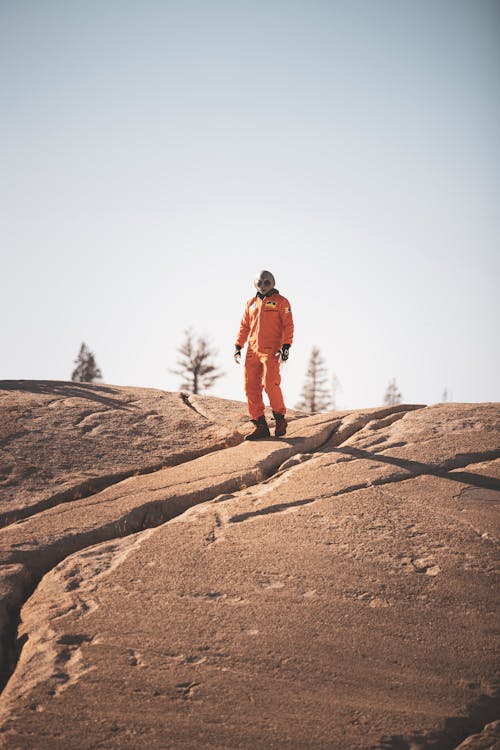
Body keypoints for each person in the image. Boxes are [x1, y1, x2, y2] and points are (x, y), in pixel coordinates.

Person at [234, 270, 294, 440]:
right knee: (250, 386)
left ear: (273, 283)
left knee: (270, 384)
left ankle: (280, 419)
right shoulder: (251, 303)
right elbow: (244, 326)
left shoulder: (281, 302)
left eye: (267, 282)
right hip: (252, 351)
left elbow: (288, 325)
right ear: (255, 284)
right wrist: (238, 345)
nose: (263, 286)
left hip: (271, 350)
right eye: (260, 283)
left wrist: (286, 345)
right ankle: (260, 424)